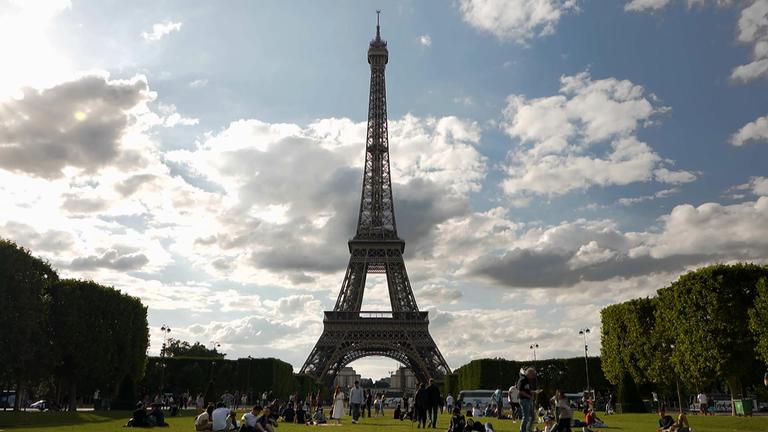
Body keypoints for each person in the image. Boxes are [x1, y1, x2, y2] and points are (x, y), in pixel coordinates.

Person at [517, 368, 537, 432]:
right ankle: (522, 430)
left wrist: (534, 392)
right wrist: (529, 396)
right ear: (529, 373)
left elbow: (527, 390)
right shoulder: (522, 379)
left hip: (528, 400)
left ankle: (528, 429)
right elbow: (520, 391)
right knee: (526, 417)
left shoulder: (527, 380)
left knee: (533, 417)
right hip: (524, 400)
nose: (533, 376)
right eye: (533, 374)